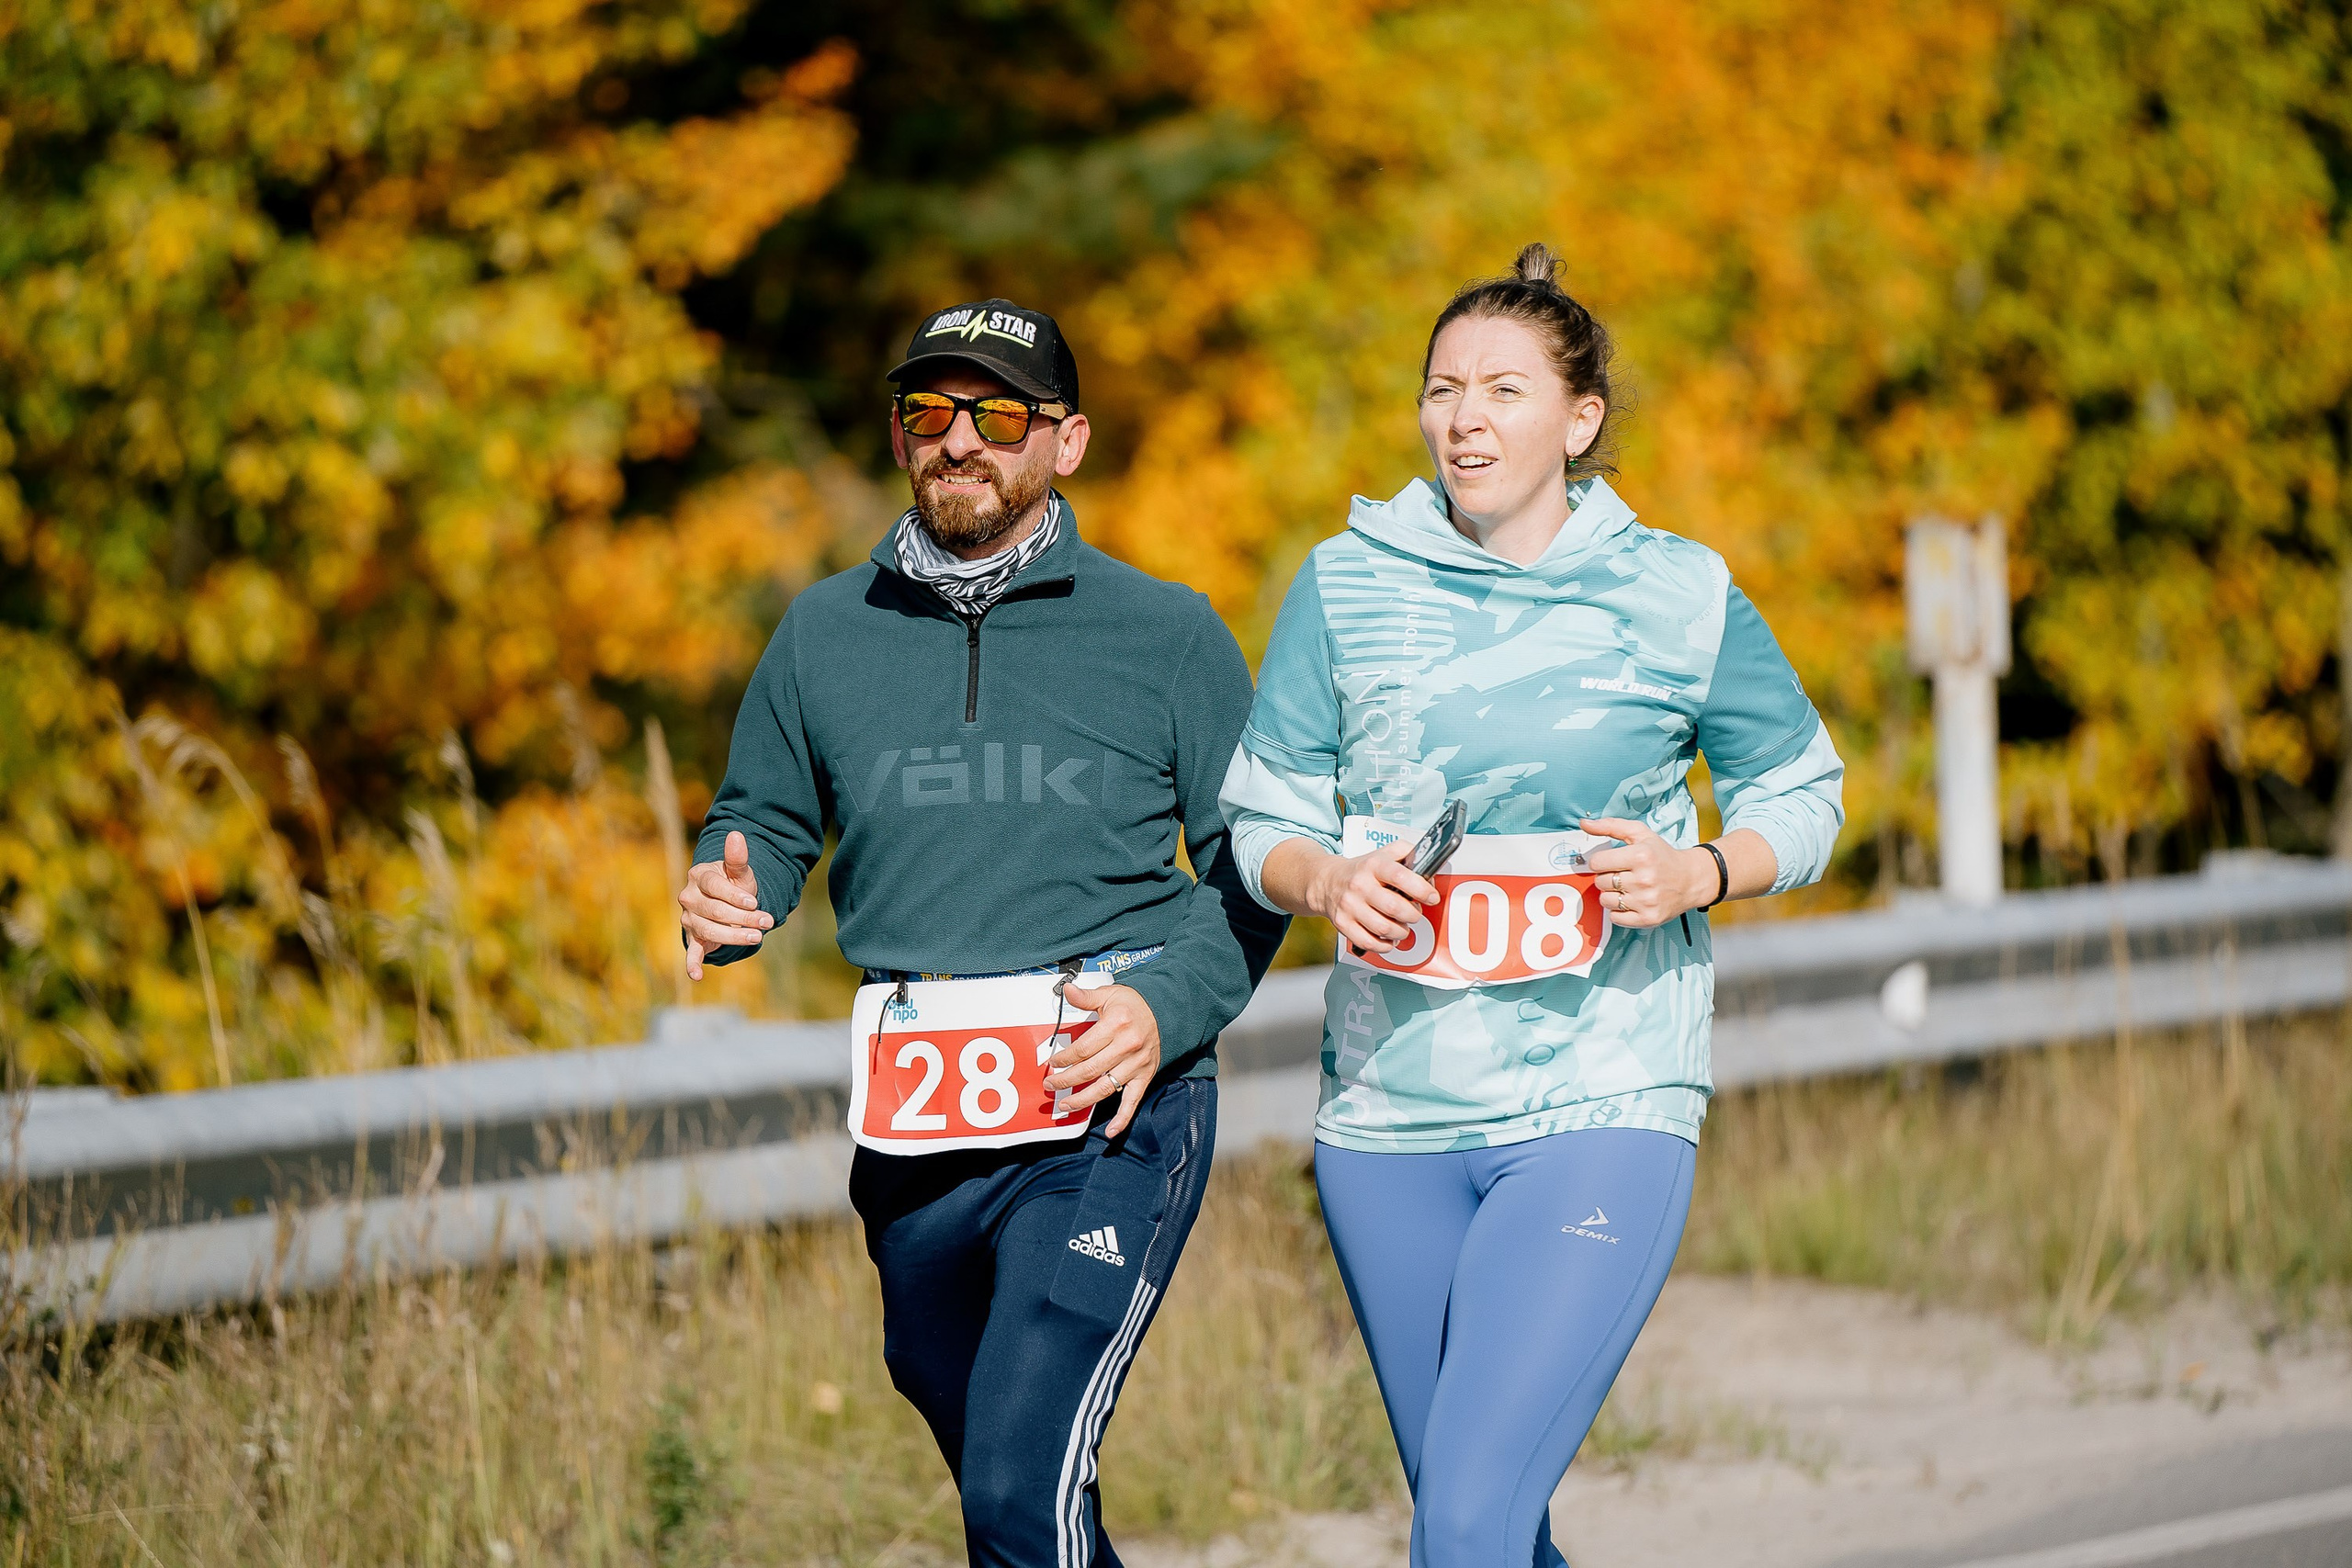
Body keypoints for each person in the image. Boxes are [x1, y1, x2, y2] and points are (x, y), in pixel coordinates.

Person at [1219, 244, 1844, 1567]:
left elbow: (1803, 789)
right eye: (1443, 390)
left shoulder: (1679, 593)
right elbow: (1259, 810)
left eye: (1503, 390)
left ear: (1581, 420)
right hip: (1388, 1115)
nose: (1464, 419)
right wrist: (1325, 876)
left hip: (1601, 1097)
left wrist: (1703, 871)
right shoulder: (1345, 582)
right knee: (1492, 1520)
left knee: (1462, 1525)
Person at [679, 297, 1285, 1568]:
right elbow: (763, 823)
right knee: (1006, 1469)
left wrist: (1165, 1013)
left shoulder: (1166, 636)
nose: (959, 440)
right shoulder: (824, 634)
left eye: (997, 414)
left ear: (1064, 443)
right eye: (929, 412)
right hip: (920, 1110)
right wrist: (732, 892)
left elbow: (1255, 870)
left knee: (1017, 1489)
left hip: (1104, 1095)